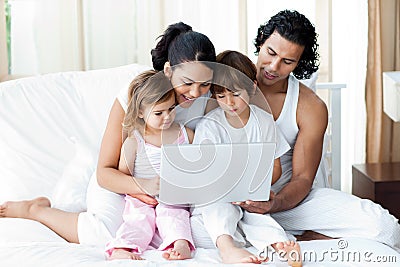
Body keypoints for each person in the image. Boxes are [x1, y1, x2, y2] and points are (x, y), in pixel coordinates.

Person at [0, 22, 217, 249]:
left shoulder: (210, 100)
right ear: (169, 71)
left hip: (170, 191)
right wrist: (141, 188)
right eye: (188, 83)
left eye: (205, 84)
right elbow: (105, 172)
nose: (195, 93)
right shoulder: (137, 94)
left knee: (196, 233)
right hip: (123, 181)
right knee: (104, 234)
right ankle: (36, 210)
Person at [234, 9, 400, 250]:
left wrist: (274, 204)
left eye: (287, 61)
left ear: (299, 63)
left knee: (386, 227)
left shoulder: (310, 106)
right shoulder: (229, 83)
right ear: (261, 40)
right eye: (270, 53)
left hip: (287, 203)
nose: (273, 66)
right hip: (233, 200)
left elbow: (302, 178)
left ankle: (305, 237)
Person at [191, 50, 302, 266]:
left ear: (252, 87)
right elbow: (204, 172)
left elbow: (275, 167)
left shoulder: (264, 122)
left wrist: (256, 187)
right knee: (218, 208)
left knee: (257, 216)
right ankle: (227, 247)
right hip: (219, 193)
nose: (229, 102)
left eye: (235, 94)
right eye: (221, 96)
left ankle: (280, 245)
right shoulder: (209, 126)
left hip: (250, 193)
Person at [105, 70, 195, 261]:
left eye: (171, 109)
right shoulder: (134, 141)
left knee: (176, 215)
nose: (167, 117)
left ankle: (180, 244)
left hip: (174, 196)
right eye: (158, 113)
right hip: (142, 199)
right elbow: (124, 177)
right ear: (140, 112)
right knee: (138, 220)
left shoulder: (185, 134)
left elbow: (199, 164)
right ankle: (124, 248)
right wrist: (141, 191)